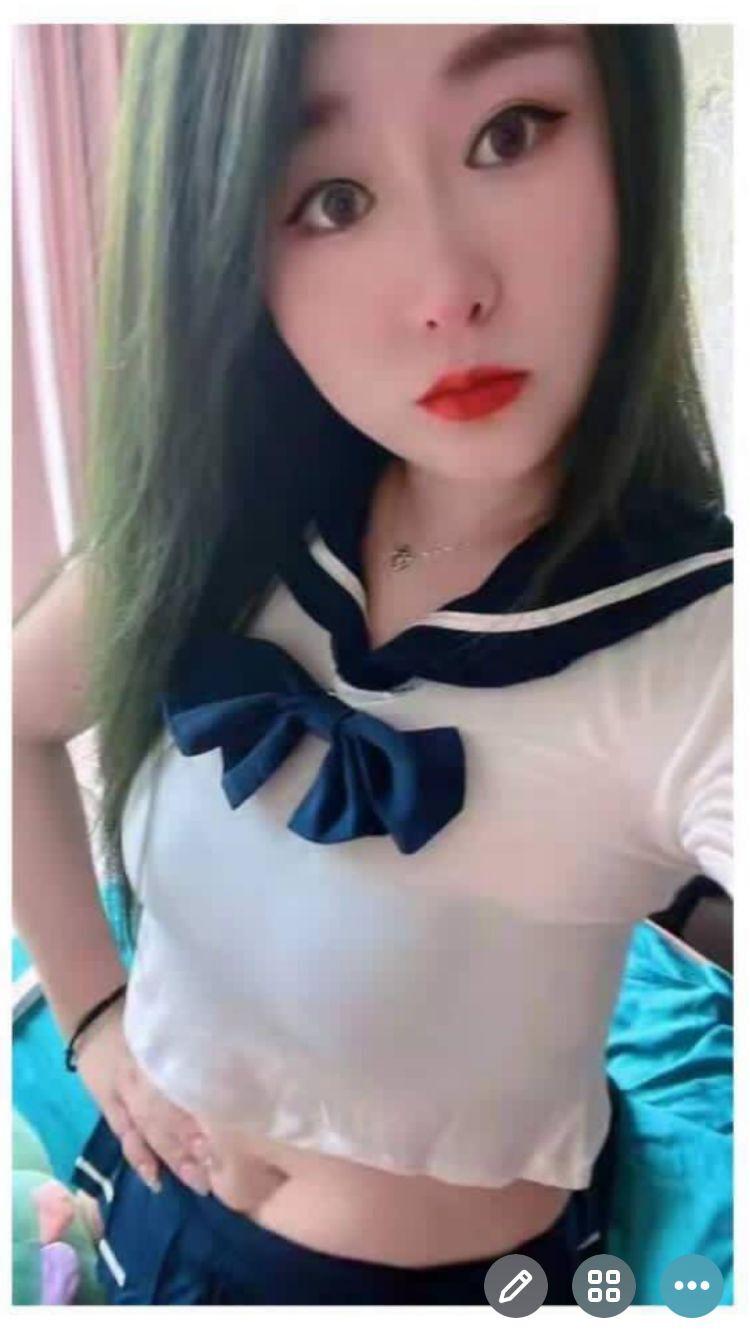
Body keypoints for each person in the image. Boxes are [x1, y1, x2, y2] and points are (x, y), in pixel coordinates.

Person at [13, 23, 733, 1305]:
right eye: (333, 200)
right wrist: (93, 1018)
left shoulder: (698, 647)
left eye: (510, 133)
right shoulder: (230, 522)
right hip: (155, 1206)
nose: (447, 288)